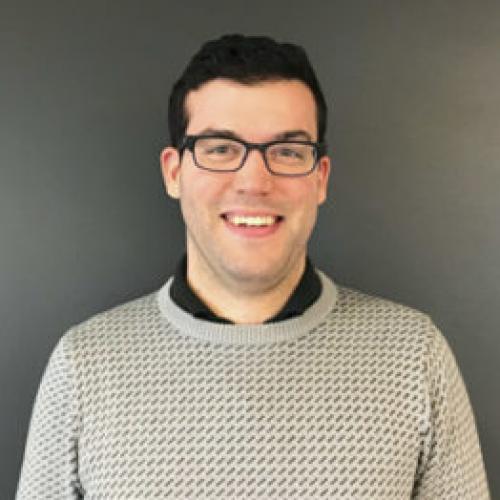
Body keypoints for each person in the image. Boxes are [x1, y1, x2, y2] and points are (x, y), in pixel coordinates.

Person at [16, 34, 490, 499]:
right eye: (220, 148)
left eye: (287, 152)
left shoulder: (414, 358)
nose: (254, 181)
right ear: (173, 172)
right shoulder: (84, 367)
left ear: (320, 178)